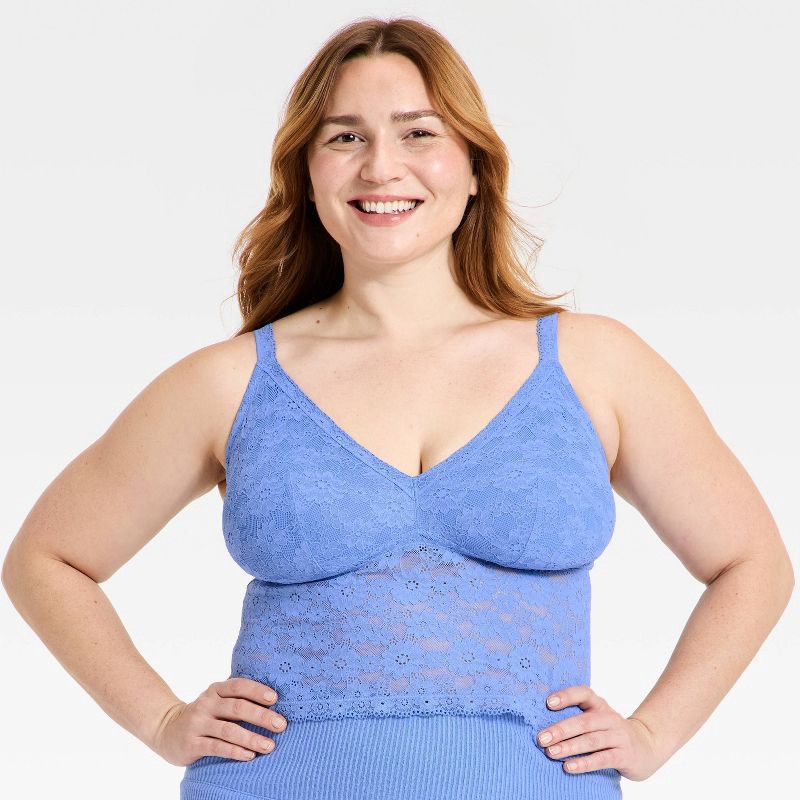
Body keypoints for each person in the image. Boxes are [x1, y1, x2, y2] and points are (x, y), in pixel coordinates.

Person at [2, 15, 793, 800]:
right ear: (308, 172)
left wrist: (654, 733)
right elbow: (47, 560)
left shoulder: (595, 364)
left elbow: (752, 564)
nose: (381, 167)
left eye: (418, 133)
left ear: (475, 167)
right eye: (345, 137)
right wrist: (160, 719)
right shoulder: (229, 383)